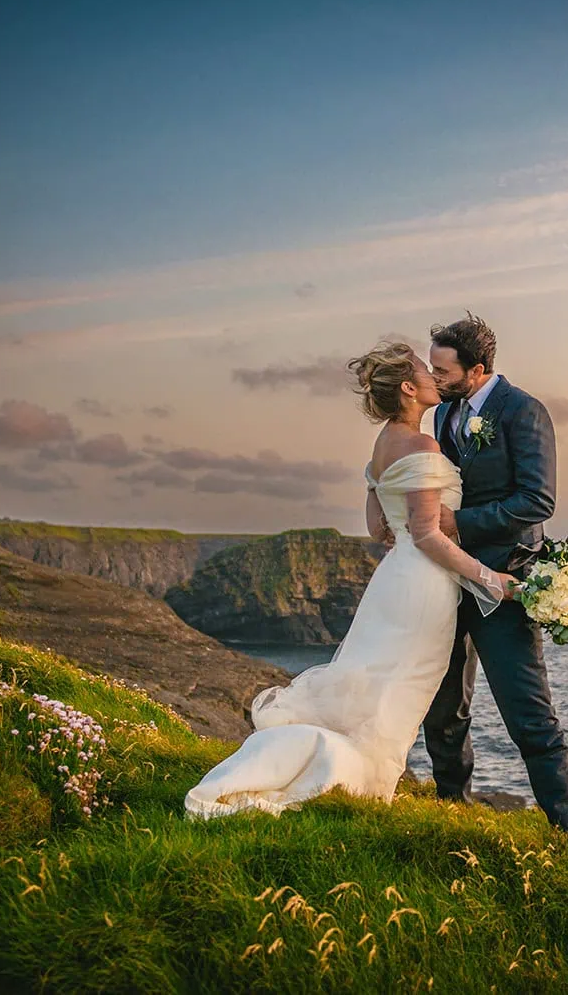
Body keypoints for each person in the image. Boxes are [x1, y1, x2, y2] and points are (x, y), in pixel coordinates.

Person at [184, 341, 516, 818]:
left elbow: (379, 528)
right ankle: (357, 786)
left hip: (393, 583)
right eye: (426, 370)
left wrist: (407, 522)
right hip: (422, 586)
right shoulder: (421, 444)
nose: (434, 377)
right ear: (408, 387)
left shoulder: (383, 443)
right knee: (397, 691)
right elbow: (425, 534)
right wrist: (491, 580)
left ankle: (348, 778)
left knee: (376, 684)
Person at [423, 313, 568, 834]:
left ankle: (566, 831)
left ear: (478, 368)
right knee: (444, 708)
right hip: (446, 579)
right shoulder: (444, 416)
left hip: (504, 583)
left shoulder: (523, 412)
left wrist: (459, 523)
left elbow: (539, 500)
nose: (434, 377)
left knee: (528, 714)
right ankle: (453, 808)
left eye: (442, 369)